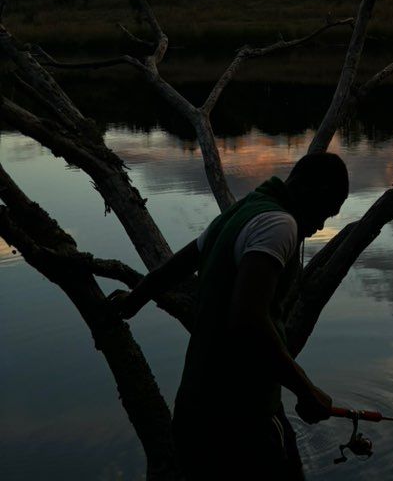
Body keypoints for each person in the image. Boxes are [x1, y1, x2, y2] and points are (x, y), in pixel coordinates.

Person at [111, 152, 350, 480]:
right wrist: (306, 390)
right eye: (327, 212)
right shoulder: (280, 225)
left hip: (195, 409)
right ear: (317, 192)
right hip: (240, 420)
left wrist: (136, 299)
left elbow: (180, 264)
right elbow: (248, 321)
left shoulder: (243, 210)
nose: (321, 225)